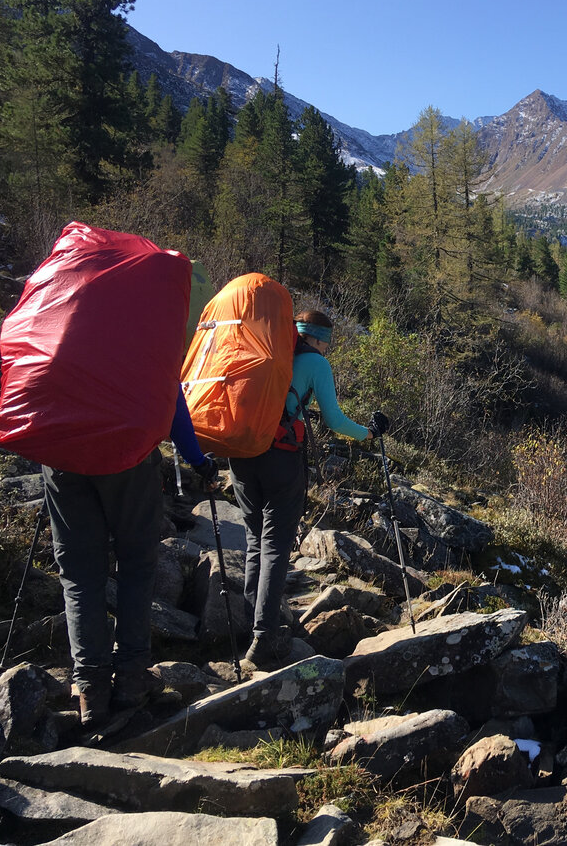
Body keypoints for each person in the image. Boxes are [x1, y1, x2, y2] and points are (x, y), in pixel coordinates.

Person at [44, 390, 217, 728]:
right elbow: (172, 400)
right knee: (136, 566)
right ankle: (131, 680)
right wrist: (199, 462)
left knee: (79, 575)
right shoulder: (140, 334)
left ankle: (91, 693)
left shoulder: (53, 334)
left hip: (62, 453)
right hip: (129, 454)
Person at [229, 310, 372, 673]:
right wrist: (369, 433)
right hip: (280, 458)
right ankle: (265, 637)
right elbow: (335, 420)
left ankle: (254, 623)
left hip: (242, 454)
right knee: (275, 543)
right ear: (320, 338)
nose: (328, 346)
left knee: (254, 539)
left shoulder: (264, 351)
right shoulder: (315, 363)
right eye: (328, 340)